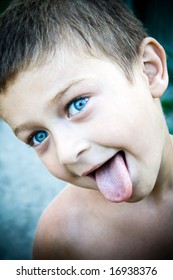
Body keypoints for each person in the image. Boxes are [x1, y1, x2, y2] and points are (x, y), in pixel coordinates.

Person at [0, 0, 173, 260]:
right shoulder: (61, 238)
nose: (66, 153)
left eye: (77, 104)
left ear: (149, 71)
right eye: (38, 136)